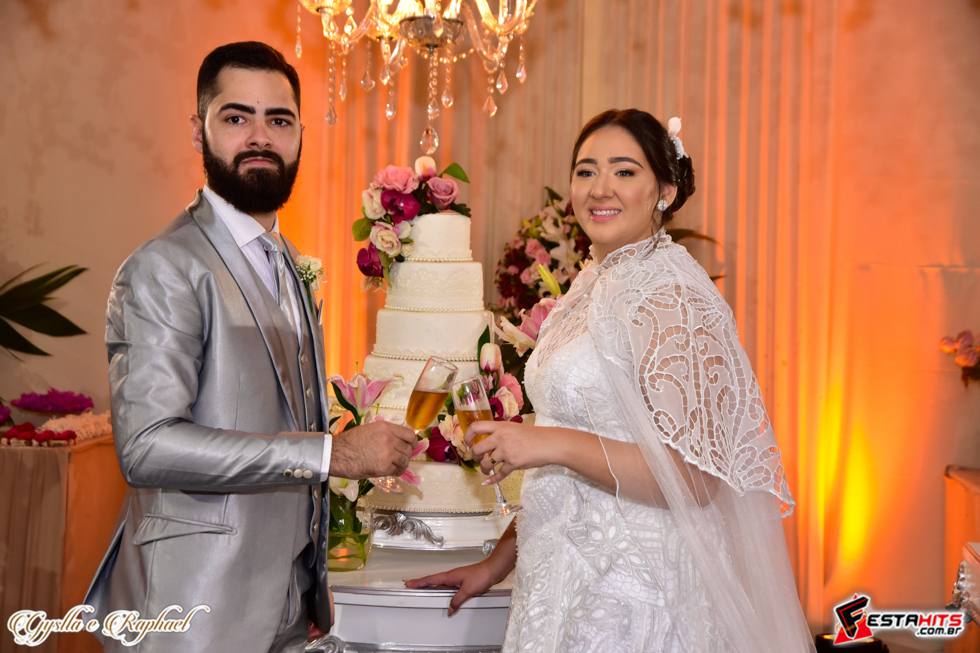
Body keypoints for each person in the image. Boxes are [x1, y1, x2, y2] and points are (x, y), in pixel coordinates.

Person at [407, 109, 816, 652]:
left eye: (624, 171)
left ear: (665, 190)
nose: (600, 188)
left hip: (637, 591)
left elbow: (696, 479)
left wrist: (547, 442)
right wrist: (496, 563)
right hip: (558, 574)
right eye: (586, 171)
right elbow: (566, 466)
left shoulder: (672, 295)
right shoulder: (592, 284)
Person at [84, 42, 417, 653]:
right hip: (192, 611)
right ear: (198, 130)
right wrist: (332, 455)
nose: (260, 137)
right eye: (236, 117)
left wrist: (305, 584)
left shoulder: (291, 263)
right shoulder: (165, 266)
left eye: (279, 120)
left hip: (286, 609)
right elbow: (147, 445)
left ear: (300, 136)